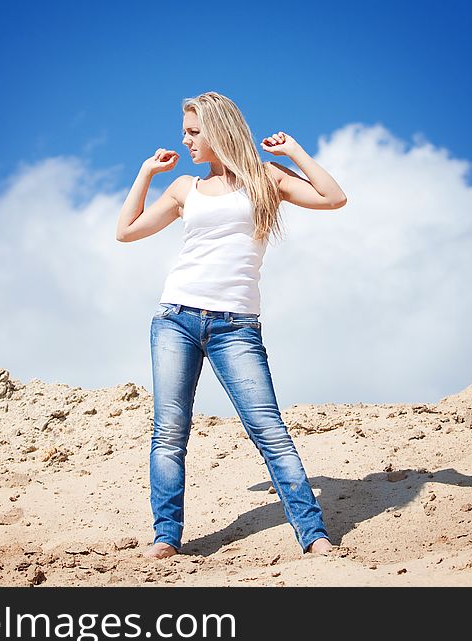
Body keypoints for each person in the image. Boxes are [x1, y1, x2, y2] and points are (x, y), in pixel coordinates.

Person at [115, 91, 347, 559]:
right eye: (186, 131)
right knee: (169, 433)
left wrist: (293, 151)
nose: (186, 140)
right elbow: (126, 230)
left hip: (237, 326)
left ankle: (313, 535)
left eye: (195, 131)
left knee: (269, 429)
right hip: (175, 318)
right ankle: (166, 538)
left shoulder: (266, 179)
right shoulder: (184, 188)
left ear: (220, 131)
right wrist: (145, 173)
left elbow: (334, 198)